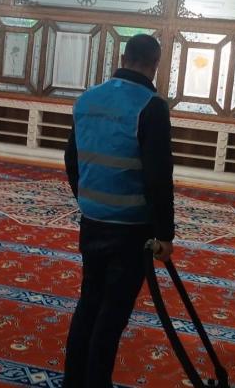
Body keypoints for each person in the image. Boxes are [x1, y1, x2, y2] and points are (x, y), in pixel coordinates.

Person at [63, 34, 175, 388]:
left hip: (92, 221)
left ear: (123, 58)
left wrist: (87, 199)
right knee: (112, 315)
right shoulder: (151, 107)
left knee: (89, 303)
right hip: (131, 229)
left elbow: (72, 159)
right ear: (155, 65)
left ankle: (73, 381)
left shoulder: (87, 99)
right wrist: (165, 234)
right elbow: (159, 176)